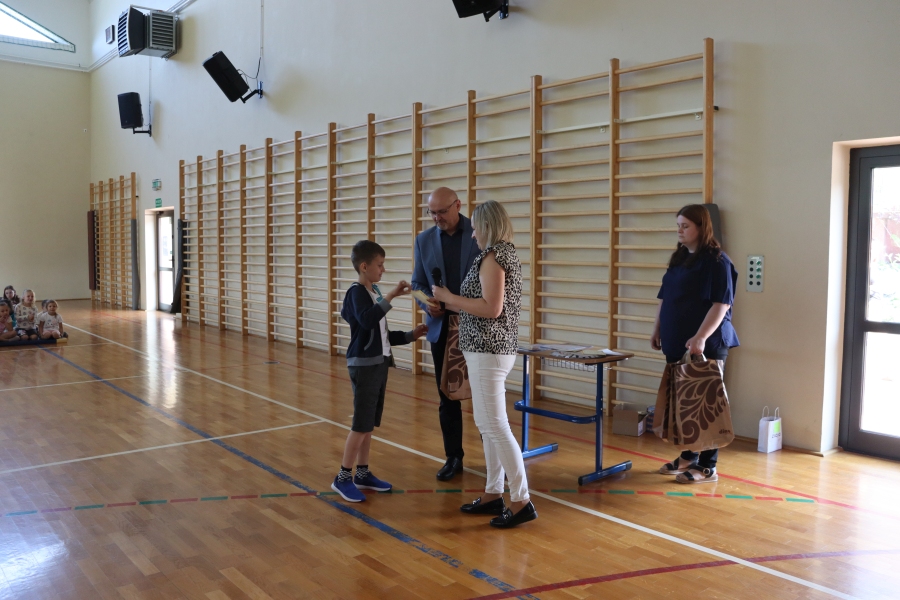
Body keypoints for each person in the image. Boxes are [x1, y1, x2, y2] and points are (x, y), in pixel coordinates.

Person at [432, 200, 537, 528]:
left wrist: (449, 298)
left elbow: (492, 308)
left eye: (477, 228)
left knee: (495, 425)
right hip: (487, 350)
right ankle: (493, 492)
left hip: (489, 350)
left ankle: (521, 500)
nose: (473, 234)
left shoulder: (495, 256)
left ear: (488, 226)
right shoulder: (499, 254)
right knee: (487, 424)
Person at [333, 240, 428, 503]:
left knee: (368, 424)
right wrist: (391, 296)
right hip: (364, 366)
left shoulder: (373, 291)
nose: (383, 269)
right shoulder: (357, 292)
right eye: (380, 264)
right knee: (360, 425)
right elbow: (366, 321)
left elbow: (381, 335)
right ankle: (343, 477)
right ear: (364, 266)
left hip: (378, 364)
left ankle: (362, 474)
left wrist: (410, 335)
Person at [651, 204, 740, 484]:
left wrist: (700, 337)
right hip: (677, 341)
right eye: (678, 225)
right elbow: (665, 298)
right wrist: (657, 328)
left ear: (702, 228)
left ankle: (708, 465)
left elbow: (721, 304)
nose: (679, 230)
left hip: (707, 344)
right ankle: (689, 456)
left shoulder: (717, 262)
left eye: (685, 226)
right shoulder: (679, 259)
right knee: (684, 404)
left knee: (707, 405)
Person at [412, 187, 481, 481]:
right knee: (447, 398)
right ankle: (453, 457)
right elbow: (417, 283)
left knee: (485, 398)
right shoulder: (423, 240)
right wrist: (426, 304)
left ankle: (496, 459)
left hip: (477, 327)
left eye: (442, 211)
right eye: (432, 212)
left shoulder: (479, 234)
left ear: (458, 206)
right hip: (442, 329)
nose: (437, 218)